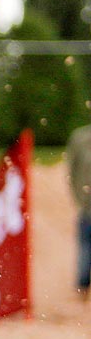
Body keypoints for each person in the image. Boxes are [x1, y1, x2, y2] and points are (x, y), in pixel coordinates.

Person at [67, 120, 91, 302]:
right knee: (85, 249)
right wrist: (79, 198)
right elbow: (72, 171)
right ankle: (82, 288)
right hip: (87, 207)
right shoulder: (80, 138)